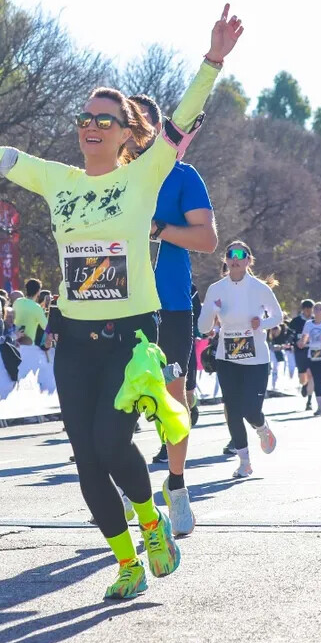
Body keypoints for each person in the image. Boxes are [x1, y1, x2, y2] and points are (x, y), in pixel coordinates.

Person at [0, 4, 242, 600]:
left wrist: (213, 59)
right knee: (86, 458)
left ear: (126, 132)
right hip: (74, 338)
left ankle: (150, 521)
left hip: (130, 335)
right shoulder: (57, 179)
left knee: (111, 441)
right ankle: (128, 561)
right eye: (85, 118)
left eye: (104, 119)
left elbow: (182, 119)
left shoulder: (145, 174)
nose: (91, 126)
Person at [133, 94, 218, 536]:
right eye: (128, 124)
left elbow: (208, 241)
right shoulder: (106, 177)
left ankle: (177, 485)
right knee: (117, 398)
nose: (136, 134)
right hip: (118, 302)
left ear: (161, 132)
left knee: (172, 395)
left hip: (170, 304)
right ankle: (127, 488)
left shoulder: (183, 176)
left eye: (145, 125)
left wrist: (158, 229)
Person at [198, 242, 282, 478]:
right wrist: (211, 311)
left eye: (240, 254)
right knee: (233, 410)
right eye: (230, 254)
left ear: (248, 260)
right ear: (225, 259)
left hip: (256, 359)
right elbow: (203, 327)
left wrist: (261, 323)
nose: (234, 259)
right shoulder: (216, 289)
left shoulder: (259, 288)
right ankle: (244, 462)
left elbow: (277, 316)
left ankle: (261, 427)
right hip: (227, 358)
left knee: (251, 411)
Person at [288, 299, 316, 409]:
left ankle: (309, 401)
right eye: (307, 309)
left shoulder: (316, 320)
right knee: (302, 375)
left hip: (313, 350)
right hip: (300, 351)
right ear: (303, 309)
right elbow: (290, 335)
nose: (309, 312)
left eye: (311, 309)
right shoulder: (296, 321)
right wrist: (293, 342)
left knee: (311, 374)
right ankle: (304, 385)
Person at [12, 278, 48, 346]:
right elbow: (46, 327)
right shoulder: (37, 308)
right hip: (28, 345)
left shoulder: (17, 302)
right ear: (38, 291)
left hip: (14, 342)